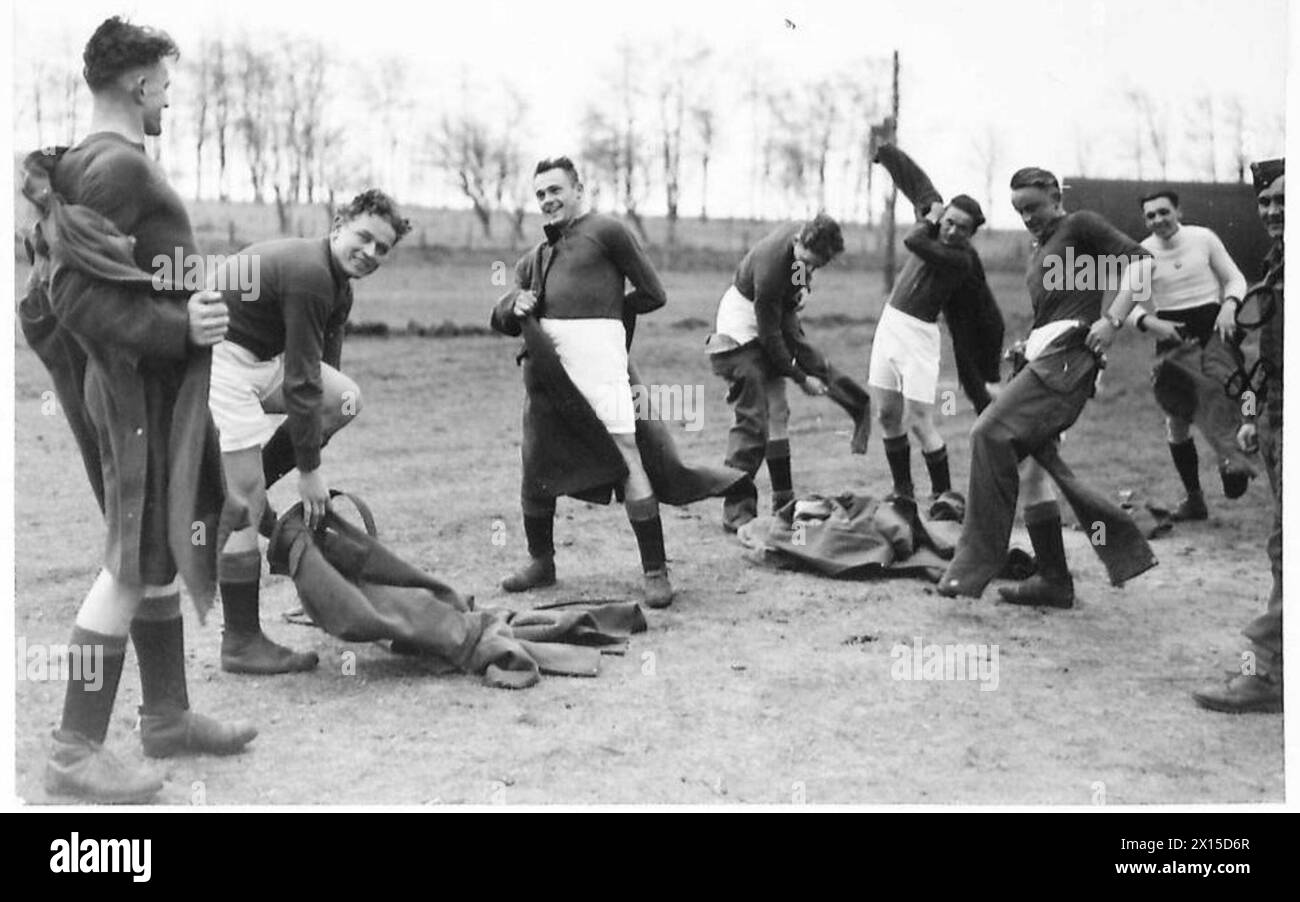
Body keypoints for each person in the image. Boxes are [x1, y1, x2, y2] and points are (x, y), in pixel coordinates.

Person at [20, 17, 255, 803]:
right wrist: (176, 325)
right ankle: (74, 749)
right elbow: (71, 294)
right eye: (165, 83)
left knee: (158, 538)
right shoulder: (115, 167)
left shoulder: (97, 162)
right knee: (128, 559)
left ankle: (167, 717)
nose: (169, 98)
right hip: (137, 390)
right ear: (138, 84)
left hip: (147, 387)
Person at [207, 190, 411, 674]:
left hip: (259, 359)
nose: (371, 253)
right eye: (364, 238)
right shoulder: (312, 274)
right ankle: (240, 642)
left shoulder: (340, 284)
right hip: (216, 361)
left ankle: (252, 483)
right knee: (244, 507)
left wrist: (312, 449)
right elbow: (300, 384)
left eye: (383, 248)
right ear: (338, 224)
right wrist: (309, 471)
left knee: (346, 399)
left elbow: (322, 377)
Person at [937, 166, 1158, 608]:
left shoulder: (1080, 224)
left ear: (1056, 195)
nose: (1028, 218)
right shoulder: (1040, 247)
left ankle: (971, 566)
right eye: (1020, 211)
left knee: (988, 433)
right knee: (1032, 471)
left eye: (1034, 207)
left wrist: (1112, 321)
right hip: (1045, 356)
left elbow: (1143, 263)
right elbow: (1056, 307)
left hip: (1067, 358)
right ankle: (1055, 581)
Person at [492, 156, 675, 607]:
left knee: (627, 454)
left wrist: (611, 320)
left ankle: (655, 571)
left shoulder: (607, 231)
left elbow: (653, 293)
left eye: (555, 190)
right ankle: (542, 563)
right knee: (535, 461)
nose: (548, 200)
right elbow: (503, 316)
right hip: (547, 375)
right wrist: (514, 303)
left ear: (578, 189)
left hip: (601, 365)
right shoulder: (534, 259)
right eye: (540, 194)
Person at [707, 213, 872, 531]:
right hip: (741, 329)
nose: (808, 270)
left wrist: (801, 290)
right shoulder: (769, 272)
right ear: (798, 241)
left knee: (779, 410)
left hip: (773, 316)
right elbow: (771, 340)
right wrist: (801, 378)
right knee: (753, 419)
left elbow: (796, 285)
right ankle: (736, 510)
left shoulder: (801, 248)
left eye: (816, 267)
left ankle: (783, 500)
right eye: (806, 262)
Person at [1193, 158, 1284, 714]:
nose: (1273, 211)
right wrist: (1253, 415)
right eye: (1267, 202)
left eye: (1284, 200)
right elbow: (1266, 360)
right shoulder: (1277, 267)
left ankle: (1266, 673)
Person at [868, 140, 1004, 507]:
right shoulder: (933, 220)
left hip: (918, 338)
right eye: (949, 222)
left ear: (970, 235)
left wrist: (929, 217)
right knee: (886, 414)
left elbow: (914, 239)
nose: (953, 231)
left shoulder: (958, 258)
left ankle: (943, 494)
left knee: (919, 421)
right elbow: (918, 183)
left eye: (962, 228)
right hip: (889, 326)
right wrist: (887, 156)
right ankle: (902, 491)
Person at [1129, 190, 1250, 519]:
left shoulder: (1203, 238)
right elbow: (1125, 304)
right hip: (1172, 337)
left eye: (1163, 212)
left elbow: (1235, 278)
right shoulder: (1142, 253)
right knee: (1177, 420)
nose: (1158, 220)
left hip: (1214, 328)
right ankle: (1194, 499)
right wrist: (1151, 323)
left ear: (1178, 211)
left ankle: (1232, 463)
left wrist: (1229, 305)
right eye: (1150, 216)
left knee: (1228, 398)